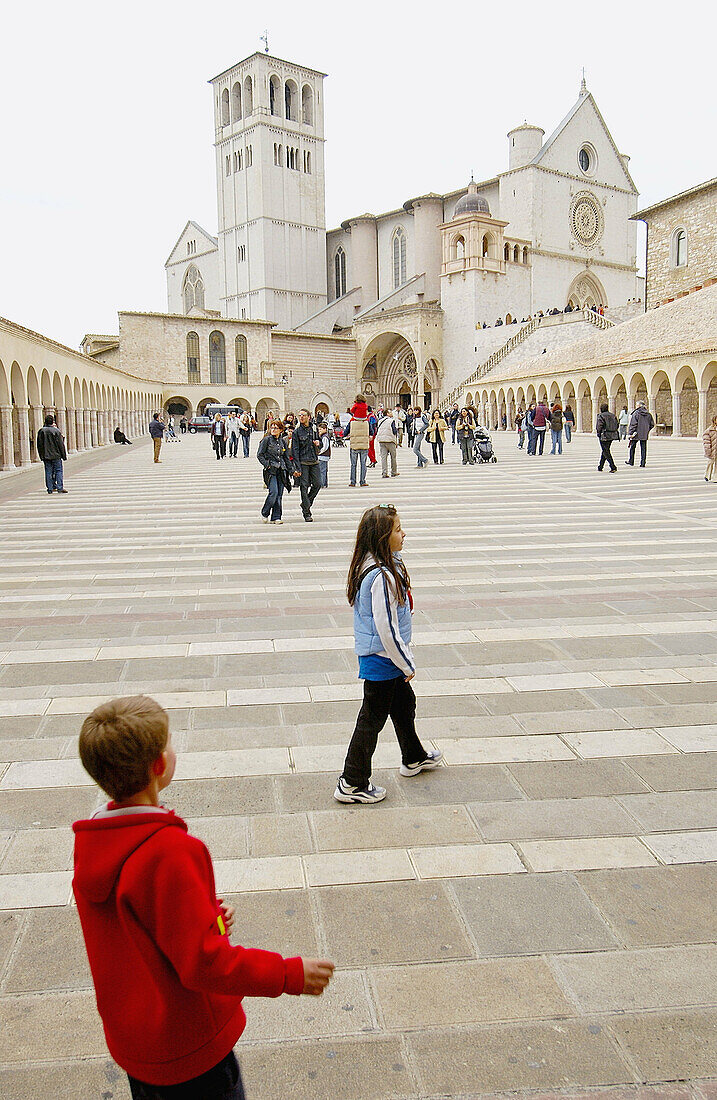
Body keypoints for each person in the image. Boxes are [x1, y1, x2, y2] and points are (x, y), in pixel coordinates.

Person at [73, 695, 334, 1100]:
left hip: (138, 1042)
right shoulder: (170, 851)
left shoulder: (97, 842)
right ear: (159, 766)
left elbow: (138, 926)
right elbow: (204, 964)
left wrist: (206, 916)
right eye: (169, 745)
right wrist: (289, 974)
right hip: (188, 1049)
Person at [334, 506, 442, 804]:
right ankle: (352, 781)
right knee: (372, 719)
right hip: (384, 658)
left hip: (385, 657)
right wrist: (405, 662)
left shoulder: (379, 565)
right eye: (397, 530)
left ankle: (414, 757)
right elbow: (386, 627)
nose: (403, 534)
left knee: (404, 704)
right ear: (383, 537)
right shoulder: (381, 576)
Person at [257, 420, 294, 523]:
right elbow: (260, 455)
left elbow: (286, 457)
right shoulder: (266, 440)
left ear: (281, 430)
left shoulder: (282, 442)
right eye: (272, 428)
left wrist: (291, 470)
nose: (273, 430)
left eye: (276, 428)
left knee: (279, 495)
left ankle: (276, 516)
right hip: (271, 470)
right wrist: (267, 465)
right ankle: (265, 512)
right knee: (273, 492)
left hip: (281, 470)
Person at [292, 408, 322, 521]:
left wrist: (319, 443)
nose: (301, 417)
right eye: (300, 415)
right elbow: (295, 450)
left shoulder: (314, 429)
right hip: (303, 462)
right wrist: (297, 467)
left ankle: (306, 503)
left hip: (314, 461)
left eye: (303, 415)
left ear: (309, 417)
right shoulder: (297, 432)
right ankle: (307, 513)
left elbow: (321, 442)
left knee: (318, 483)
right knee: (304, 487)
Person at [37, 414, 68, 493]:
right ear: (53, 421)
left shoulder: (41, 431)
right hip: (56, 455)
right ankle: (59, 487)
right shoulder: (56, 431)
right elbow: (60, 444)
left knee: (48, 471)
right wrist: (63, 455)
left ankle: (50, 488)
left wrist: (41, 455)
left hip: (46, 455)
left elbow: (39, 445)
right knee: (58, 471)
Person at [345, 399, 370, 487]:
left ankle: (353, 481)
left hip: (354, 446)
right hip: (364, 446)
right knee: (363, 464)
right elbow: (372, 432)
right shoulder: (367, 422)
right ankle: (362, 481)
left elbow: (345, 432)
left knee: (353, 464)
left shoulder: (352, 422)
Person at [626, 401, 655, 467]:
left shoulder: (636, 413)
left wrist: (630, 433)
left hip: (636, 433)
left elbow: (633, 424)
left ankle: (631, 461)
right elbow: (652, 424)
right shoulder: (648, 414)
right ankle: (643, 463)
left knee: (632, 447)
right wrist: (647, 430)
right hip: (644, 433)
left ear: (639, 406)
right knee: (643, 448)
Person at [375, 409, 399, 478]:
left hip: (381, 440)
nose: (392, 413)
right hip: (390, 440)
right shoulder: (391, 421)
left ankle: (384, 473)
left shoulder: (380, 421)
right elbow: (394, 431)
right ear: (387, 414)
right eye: (390, 412)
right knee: (393, 457)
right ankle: (393, 472)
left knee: (383, 457)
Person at [596, 402, 619, 472]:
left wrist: (598, 433)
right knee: (605, 450)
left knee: (606, 451)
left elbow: (599, 425)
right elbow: (617, 424)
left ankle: (613, 466)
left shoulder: (601, 416)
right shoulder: (612, 415)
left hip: (604, 435)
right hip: (612, 435)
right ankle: (600, 466)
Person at [317, 422, 331, 487]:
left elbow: (325, 447)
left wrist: (319, 452)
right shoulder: (323, 436)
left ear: (325, 429)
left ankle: (322, 483)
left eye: (320, 429)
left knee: (322, 471)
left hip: (323, 456)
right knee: (324, 470)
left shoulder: (325, 437)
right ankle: (325, 483)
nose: (319, 431)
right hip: (325, 456)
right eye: (319, 429)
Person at [704, 414, 717, 482]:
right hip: (712, 450)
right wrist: (708, 450)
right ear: (714, 421)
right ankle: (707, 475)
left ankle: (715, 478)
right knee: (710, 463)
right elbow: (706, 441)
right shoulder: (709, 430)